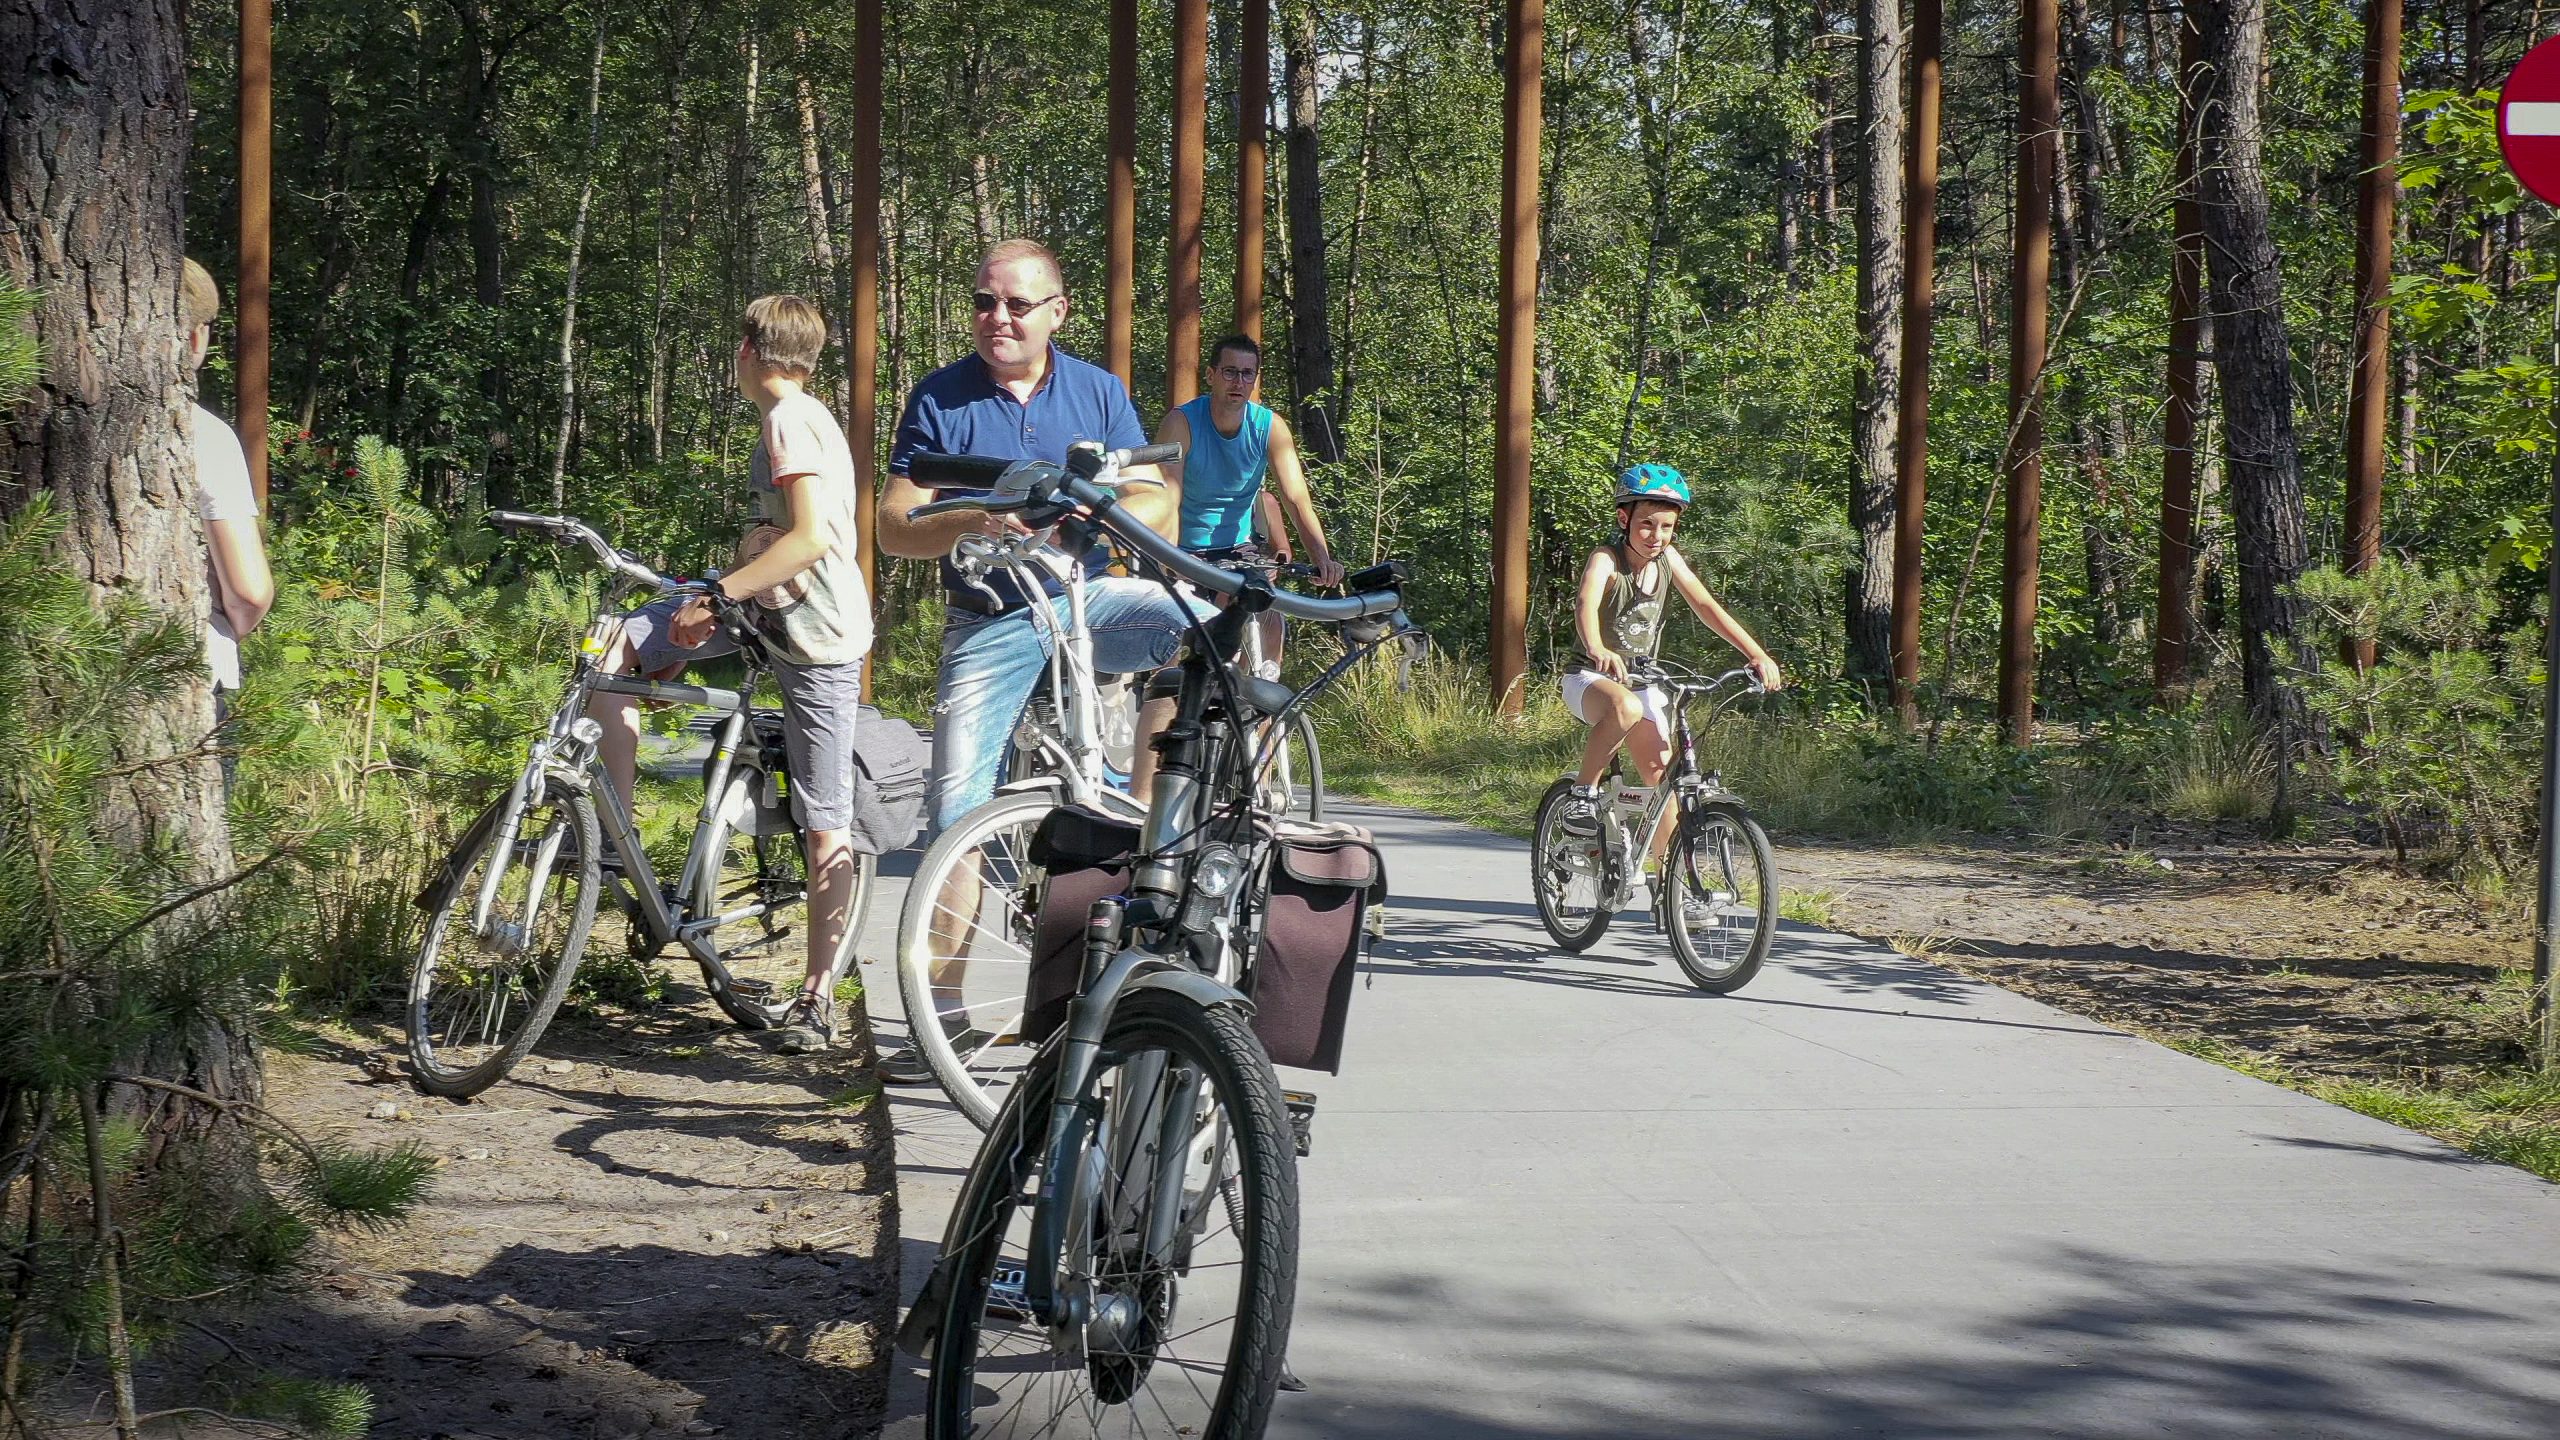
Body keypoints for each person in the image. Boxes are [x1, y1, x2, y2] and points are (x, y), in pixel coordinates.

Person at [874, 238, 1190, 1084]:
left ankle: (1152, 811)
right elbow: (894, 526)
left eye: (1017, 304)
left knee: (1209, 628)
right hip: (990, 621)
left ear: (1057, 311)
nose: (998, 318)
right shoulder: (940, 396)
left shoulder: (1098, 391)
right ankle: (941, 1018)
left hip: (1089, 603)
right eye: (985, 301)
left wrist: (1104, 507)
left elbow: (1157, 497)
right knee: (956, 814)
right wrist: (974, 518)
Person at [586, 294, 872, 1055]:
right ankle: (614, 842)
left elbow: (810, 539)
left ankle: (816, 997)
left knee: (825, 821)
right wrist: (709, 606)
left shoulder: (790, 420)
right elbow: (774, 540)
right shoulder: (797, 415)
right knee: (616, 645)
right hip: (763, 609)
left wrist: (714, 598)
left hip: (818, 638)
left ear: (748, 351)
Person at [1558, 465, 1783, 882]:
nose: (1656, 535)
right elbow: (1586, 602)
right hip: (1589, 678)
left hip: (1641, 681)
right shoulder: (1606, 558)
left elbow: (1707, 606)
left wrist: (1756, 653)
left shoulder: (1667, 560)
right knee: (1624, 707)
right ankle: (1582, 795)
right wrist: (1597, 647)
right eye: (1646, 524)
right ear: (1624, 519)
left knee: (1663, 782)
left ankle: (1673, 887)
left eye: (1666, 526)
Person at [1153, 334, 1343, 669]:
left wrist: (1322, 558)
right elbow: (1166, 497)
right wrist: (1171, 558)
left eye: (1246, 373)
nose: (1238, 382)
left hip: (1238, 550)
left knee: (1266, 615)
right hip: (1182, 549)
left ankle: (1256, 697)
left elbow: (1296, 498)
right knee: (1170, 643)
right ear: (1211, 375)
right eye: (1229, 372)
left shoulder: (1269, 427)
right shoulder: (1181, 423)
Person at [182, 259, 276, 784]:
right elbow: (248, 591)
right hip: (189, 676)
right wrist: (230, 628)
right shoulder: (204, 436)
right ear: (197, 338)